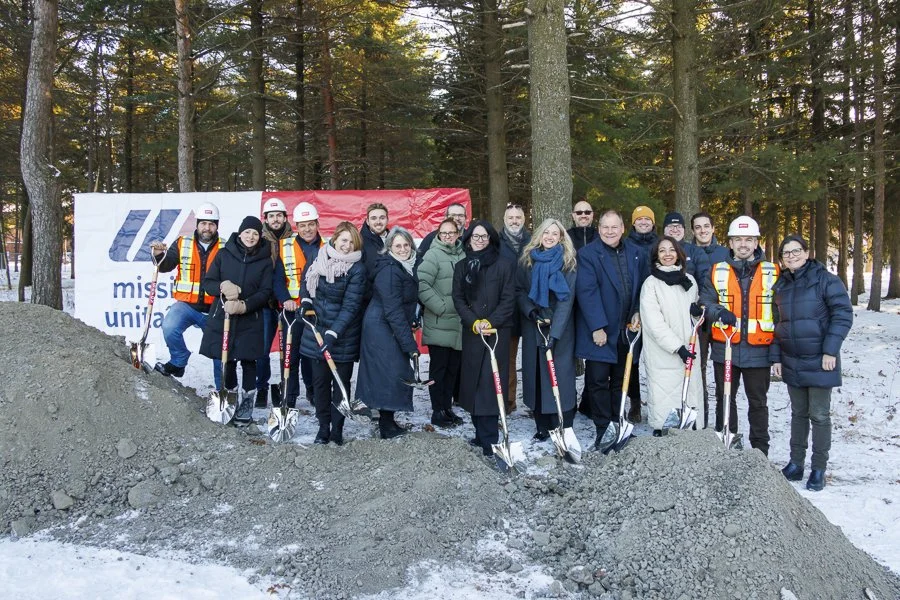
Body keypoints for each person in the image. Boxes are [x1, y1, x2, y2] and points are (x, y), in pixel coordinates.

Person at [771, 235, 852, 491]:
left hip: (820, 359)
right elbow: (775, 324)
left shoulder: (825, 280)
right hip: (792, 360)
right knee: (798, 414)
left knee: (819, 415)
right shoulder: (781, 285)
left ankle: (818, 468)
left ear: (807, 252)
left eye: (796, 251)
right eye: (786, 253)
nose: (791, 256)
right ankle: (796, 463)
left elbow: (843, 314)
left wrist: (830, 351)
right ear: (782, 259)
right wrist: (776, 357)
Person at [700, 215, 780, 456]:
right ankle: (726, 445)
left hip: (759, 350)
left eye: (749, 239)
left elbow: (781, 311)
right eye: (738, 239)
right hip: (725, 349)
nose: (743, 244)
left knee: (758, 403)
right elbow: (705, 301)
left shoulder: (773, 271)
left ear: (756, 243)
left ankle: (760, 452)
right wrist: (719, 312)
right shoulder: (716, 271)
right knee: (725, 400)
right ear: (730, 243)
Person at [575, 210, 648, 451]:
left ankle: (619, 423)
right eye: (605, 227)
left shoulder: (636, 253)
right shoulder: (588, 255)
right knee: (597, 381)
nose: (609, 231)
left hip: (625, 329)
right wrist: (597, 327)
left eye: (614, 227)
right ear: (599, 229)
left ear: (623, 228)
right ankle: (603, 428)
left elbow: (641, 287)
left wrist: (637, 310)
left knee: (620, 381)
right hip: (600, 331)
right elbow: (587, 292)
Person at [297, 221, 367, 445]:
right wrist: (305, 303)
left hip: (343, 335)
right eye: (344, 240)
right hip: (316, 330)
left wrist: (333, 333)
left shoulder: (357, 269)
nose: (347, 246)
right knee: (319, 384)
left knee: (340, 385)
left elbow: (351, 306)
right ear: (335, 239)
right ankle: (323, 427)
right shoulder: (319, 257)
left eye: (352, 242)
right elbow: (306, 282)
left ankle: (337, 429)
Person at [199, 216, 273, 425]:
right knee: (227, 359)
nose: (251, 236)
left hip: (251, 317)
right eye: (248, 232)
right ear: (240, 233)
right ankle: (230, 397)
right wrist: (222, 286)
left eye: (255, 233)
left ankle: (247, 400)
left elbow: (266, 291)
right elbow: (208, 282)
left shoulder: (265, 260)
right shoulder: (224, 254)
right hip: (224, 317)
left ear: (260, 237)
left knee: (249, 360)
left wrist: (245, 305)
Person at [452, 220, 517, 456]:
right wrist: (474, 322)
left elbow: (508, 299)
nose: (479, 240)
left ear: (491, 239)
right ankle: (479, 434)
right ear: (468, 239)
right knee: (473, 383)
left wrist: (491, 322)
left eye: (484, 236)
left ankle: (490, 439)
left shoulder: (504, 265)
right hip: (474, 332)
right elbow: (458, 299)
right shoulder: (462, 267)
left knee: (491, 384)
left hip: (497, 332)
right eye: (475, 236)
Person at [355, 226, 420, 439]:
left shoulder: (405, 266)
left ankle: (388, 420)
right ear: (389, 247)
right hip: (381, 327)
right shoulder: (390, 270)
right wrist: (410, 345)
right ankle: (386, 424)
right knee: (388, 373)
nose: (402, 249)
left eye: (406, 245)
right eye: (397, 245)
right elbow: (393, 310)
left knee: (391, 373)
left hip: (388, 325)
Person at [516, 219, 578, 440]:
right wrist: (530, 312)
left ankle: (563, 422)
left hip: (560, 326)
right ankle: (541, 424)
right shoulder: (527, 260)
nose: (550, 237)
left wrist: (555, 333)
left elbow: (566, 300)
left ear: (561, 237)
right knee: (536, 375)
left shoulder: (568, 262)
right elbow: (520, 290)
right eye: (546, 233)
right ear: (539, 235)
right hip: (534, 323)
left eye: (555, 233)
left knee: (560, 375)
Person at [150, 202, 223, 389]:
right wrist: (159, 255)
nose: (207, 228)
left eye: (211, 224)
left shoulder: (226, 247)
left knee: (220, 351)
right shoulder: (183, 243)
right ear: (197, 224)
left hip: (215, 308)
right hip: (187, 306)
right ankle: (179, 360)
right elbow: (166, 265)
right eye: (203, 223)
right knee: (169, 326)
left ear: (217, 226)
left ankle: (222, 389)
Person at [639, 236, 703, 435]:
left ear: (679, 254)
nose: (668, 254)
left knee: (689, 386)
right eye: (662, 251)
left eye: (671, 250)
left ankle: (691, 425)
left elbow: (694, 313)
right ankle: (663, 428)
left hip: (689, 345)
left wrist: (697, 313)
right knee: (664, 389)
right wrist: (677, 347)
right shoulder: (651, 284)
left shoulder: (689, 281)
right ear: (656, 256)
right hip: (663, 351)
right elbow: (653, 322)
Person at [273, 202, 324, 408]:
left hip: (317, 311)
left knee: (313, 357)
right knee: (290, 356)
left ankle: (313, 391)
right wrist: (285, 299)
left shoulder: (327, 247)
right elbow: (277, 278)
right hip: (291, 311)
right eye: (302, 225)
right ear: (296, 226)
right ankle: (290, 396)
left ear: (317, 224)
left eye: (311, 224)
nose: (307, 229)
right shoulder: (284, 246)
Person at [417, 218, 465, 427]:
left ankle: (447, 408)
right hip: (439, 322)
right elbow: (421, 283)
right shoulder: (432, 254)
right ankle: (437, 411)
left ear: (457, 234)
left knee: (452, 370)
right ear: (438, 234)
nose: (447, 236)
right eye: (443, 233)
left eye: (451, 233)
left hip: (458, 324)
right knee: (438, 370)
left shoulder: (463, 254)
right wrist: (441, 306)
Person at [690, 211, 729, 426]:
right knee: (699, 370)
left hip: (722, 317)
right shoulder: (687, 251)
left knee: (723, 369)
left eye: (706, 226)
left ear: (713, 228)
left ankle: (722, 421)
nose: (703, 230)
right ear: (693, 230)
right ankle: (701, 419)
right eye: (698, 227)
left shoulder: (725, 253)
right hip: (698, 320)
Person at [255, 197, 295, 408]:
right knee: (262, 348)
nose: (276, 219)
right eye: (272, 216)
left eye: (279, 215)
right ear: (266, 219)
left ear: (285, 218)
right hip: (267, 303)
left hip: (290, 302)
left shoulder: (294, 240)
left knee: (288, 349)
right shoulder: (258, 240)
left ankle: (285, 386)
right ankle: (261, 387)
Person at [621, 204, 657, 422]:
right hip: (632, 310)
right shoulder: (625, 245)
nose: (643, 222)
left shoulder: (661, 245)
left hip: (655, 309)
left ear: (653, 223)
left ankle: (656, 401)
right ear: (633, 223)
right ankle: (634, 402)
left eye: (647, 219)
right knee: (631, 359)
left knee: (655, 359)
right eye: (639, 219)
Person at [498, 203, 531, 414]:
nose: (514, 221)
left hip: (529, 308)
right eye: (510, 217)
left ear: (524, 219)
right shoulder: (496, 242)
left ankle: (534, 400)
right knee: (507, 358)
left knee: (531, 358)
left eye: (518, 217)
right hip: (507, 308)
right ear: (504, 219)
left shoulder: (532, 241)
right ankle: (508, 401)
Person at [661, 212, 711, 288]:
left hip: (690, 298)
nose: (675, 230)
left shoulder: (696, 252)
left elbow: (705, 281)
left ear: (684, 230)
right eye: (670, 226)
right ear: (664, 230)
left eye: (679, 226)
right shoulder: (656, 251)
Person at [360, 203, 389, 278]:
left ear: (387, 220)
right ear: (367, 222)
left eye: (382, 218)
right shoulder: (359, 242)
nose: (378, 222)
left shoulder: (396, 240)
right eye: (373, 218)